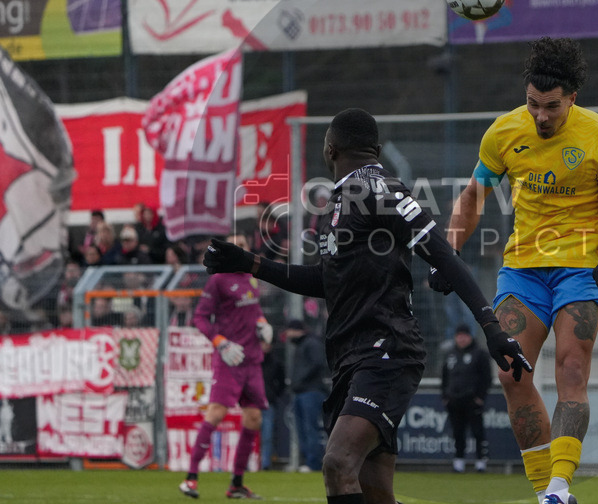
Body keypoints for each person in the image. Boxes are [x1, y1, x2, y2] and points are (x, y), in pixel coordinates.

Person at [201, 108, 531, 504]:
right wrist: (251, 263)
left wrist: (491, 327)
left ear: (330, 149)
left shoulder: (379, 189)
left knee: (338, 463)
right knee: (374, 492)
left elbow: (443, 253)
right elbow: (326, 280)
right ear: (374, 147)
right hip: (350, 356)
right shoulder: (342, 201)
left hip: (386, 351)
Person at [430, 37, 598, 504]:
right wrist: (448, 253)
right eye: (533, 103)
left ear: (572, 98)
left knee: (571, 368)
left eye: (552, 106)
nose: (541, 115)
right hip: (523, 269)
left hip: (579, 270)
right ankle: (547, 494)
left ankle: (560, 484)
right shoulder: (503, 133)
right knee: (510, 372)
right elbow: (472, 197)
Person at [179, 234, 274, 500]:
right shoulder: (218, 280)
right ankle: (190, 478)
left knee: (253, 419)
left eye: (243, 245)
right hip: (229, 360)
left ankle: (236, 484)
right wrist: (220, 342)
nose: (241, 250)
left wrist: (263, 323)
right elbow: (200, 318)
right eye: (236, 246)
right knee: (216, 413)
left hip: (252, 359)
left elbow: (253, 311)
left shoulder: (251, 278)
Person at [441, 324, 493, 473]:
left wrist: (480, 397)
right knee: (458, 432)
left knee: (477, 432)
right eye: (459, 336)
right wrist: (445, 396)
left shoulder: (480, 354)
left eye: (464, 336)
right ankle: (458, 462)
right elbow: (444, 378)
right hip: (454, 401)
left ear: (470, 337)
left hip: (472, 401)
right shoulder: (450, 354)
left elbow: (486, 378)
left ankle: (481, 462)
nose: (461, 339)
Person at [285, 318, 329, 473]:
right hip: (301, 392)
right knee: (303, 430)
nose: (288, 334)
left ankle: (314, 463)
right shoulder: (302, 345)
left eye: (289, 330)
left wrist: (300, 380)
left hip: (311, 391)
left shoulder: (311, 343)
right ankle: (308, 461)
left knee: (310, 429)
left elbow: (318, 363)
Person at [260, 338, 286, 471]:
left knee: (267, 436)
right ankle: (250, 463)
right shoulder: (252, 362)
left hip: (268, 403)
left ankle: (265, 464)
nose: (266, 346)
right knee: (250, 435)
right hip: (252, 404)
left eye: (268, 343)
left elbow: (281, 383)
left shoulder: (275, 362)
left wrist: (273, 395)